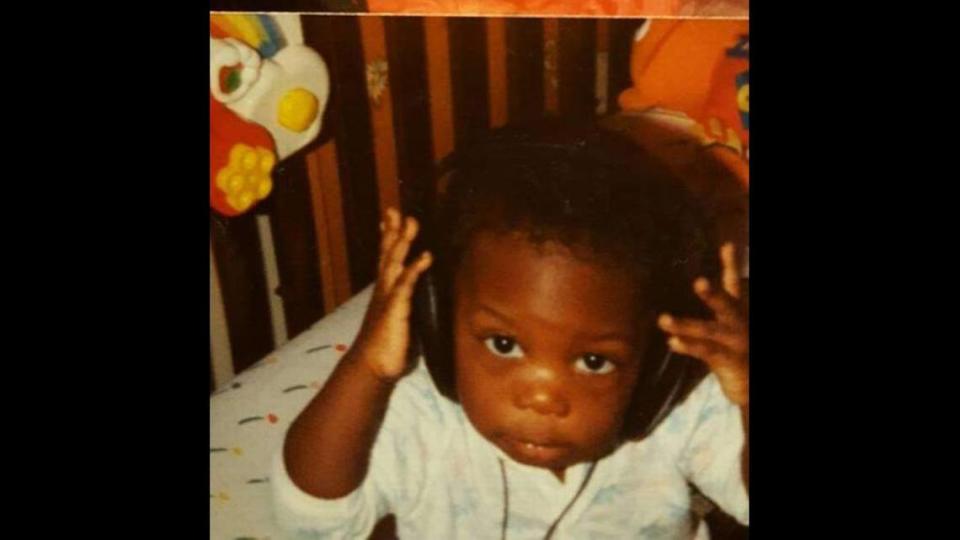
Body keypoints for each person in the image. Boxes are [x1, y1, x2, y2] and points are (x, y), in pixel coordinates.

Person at [274, 120, 749, 539]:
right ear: (442, 324)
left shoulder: (676, 413)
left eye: (593, 361)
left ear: (656, 363)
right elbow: (314, 520)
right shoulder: (420, 417)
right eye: (504, 344)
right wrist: (367, 368)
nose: (542, 398)